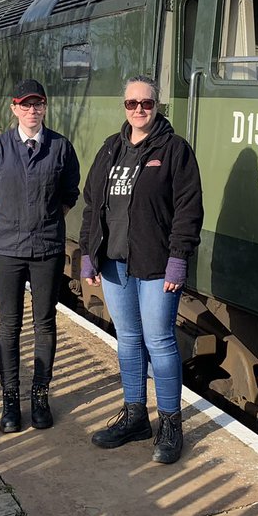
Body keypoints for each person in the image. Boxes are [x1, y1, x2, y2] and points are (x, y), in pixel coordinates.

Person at [79, 75, 204, 464]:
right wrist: (88, 253)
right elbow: (92, 204)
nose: (138, 110)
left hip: (154, 265)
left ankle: (170, 424)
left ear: (157, 106)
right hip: (114, 263)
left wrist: (178, 259)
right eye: (131, 104)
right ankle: (135, 416)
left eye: (146, 104)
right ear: (124, 107)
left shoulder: (174, 151)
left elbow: (188, 209)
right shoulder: (110, 149)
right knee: (129, 339)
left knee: (160, 341)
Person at [0, 79, 81, 433]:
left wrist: (43, 223)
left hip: (46, 249)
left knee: (45, 323)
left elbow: (69, 193)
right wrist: (9, 226)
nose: (32, 110)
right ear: (14, 108)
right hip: (6, 251)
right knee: (9, 324)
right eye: (25, 104)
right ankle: (9, 401)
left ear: (45, 107)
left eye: (38, 105)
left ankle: (39, 397)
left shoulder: (61, 148)